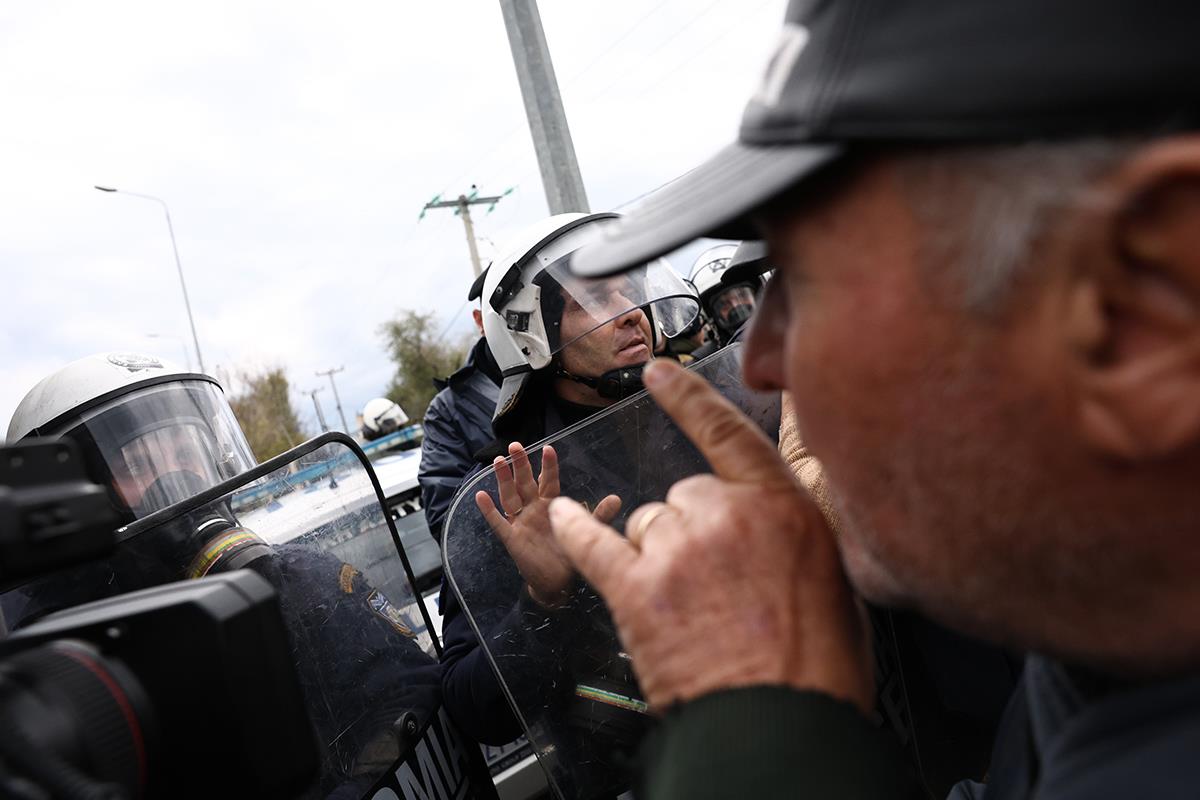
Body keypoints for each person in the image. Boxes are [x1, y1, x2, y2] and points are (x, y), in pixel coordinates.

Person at [549, 1, 1200, 798]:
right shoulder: (1110, 647)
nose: (761, 362)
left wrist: (761, 741)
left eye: (812, 276)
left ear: (1146, 312)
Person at [4, 353, 496, 800]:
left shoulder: (301, 580)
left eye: (186, 450)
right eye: (139, 463)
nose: (180, 480)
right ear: (81, 506)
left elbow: (412, 688)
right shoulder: (68, 688)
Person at [437, 213, 699, 796]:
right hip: (629, 776)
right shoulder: (512, 489)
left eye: (630, 288)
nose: (631, 308)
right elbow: (471, 705)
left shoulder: (703, 410)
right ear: (534, 334)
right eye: (595, 298)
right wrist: (543, 602)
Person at [419, 267, 502, 543]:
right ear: (480, 320)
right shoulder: (446, 413)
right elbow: (449, 523)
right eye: (503, 310)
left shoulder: (570, 370)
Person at [686, 244, 761, 360]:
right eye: (723, 304)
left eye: (742, 295)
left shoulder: (789, 329)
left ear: (759, 295)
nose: (736, 305)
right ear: (713, 316)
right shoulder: (706, 362)